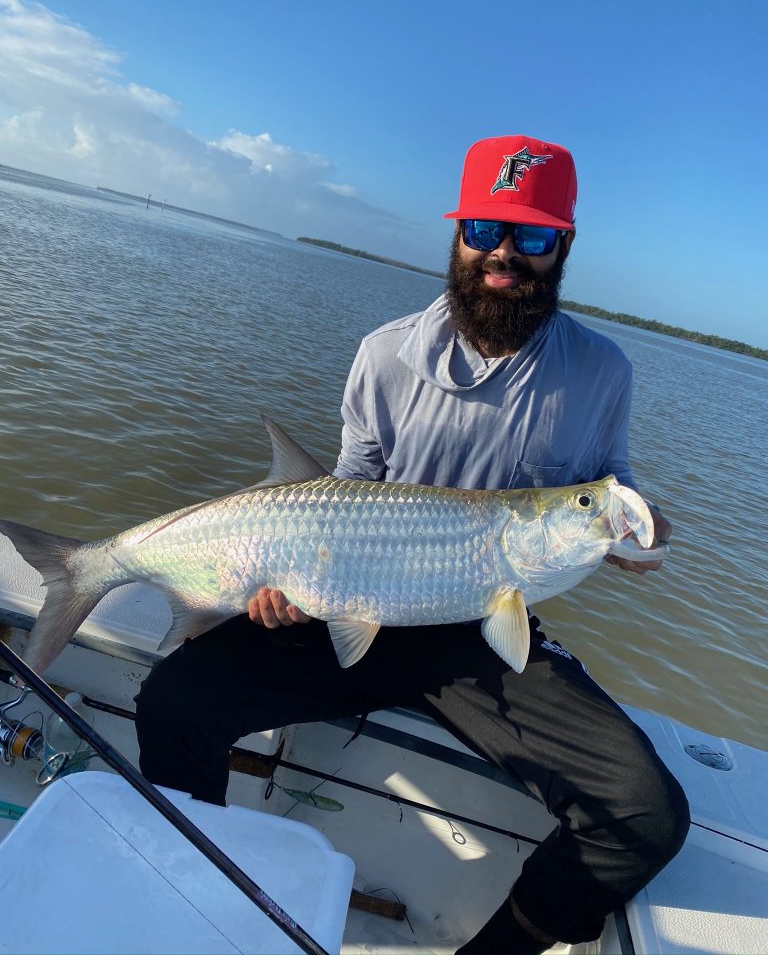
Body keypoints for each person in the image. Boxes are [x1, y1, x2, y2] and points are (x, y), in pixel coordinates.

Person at [135, 135, 690, 954]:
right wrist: (284, 583)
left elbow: (616, 499)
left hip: (486, 627)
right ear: (458, 234)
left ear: (563, 247)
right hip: (356, 606)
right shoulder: (384, 353)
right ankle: (203, 912)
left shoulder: (603, 372)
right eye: (484, 230)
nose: (504, 255)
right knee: (172, 703)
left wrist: (642, 532)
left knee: (646, 813)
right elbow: (337, 496)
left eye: (532, 238)